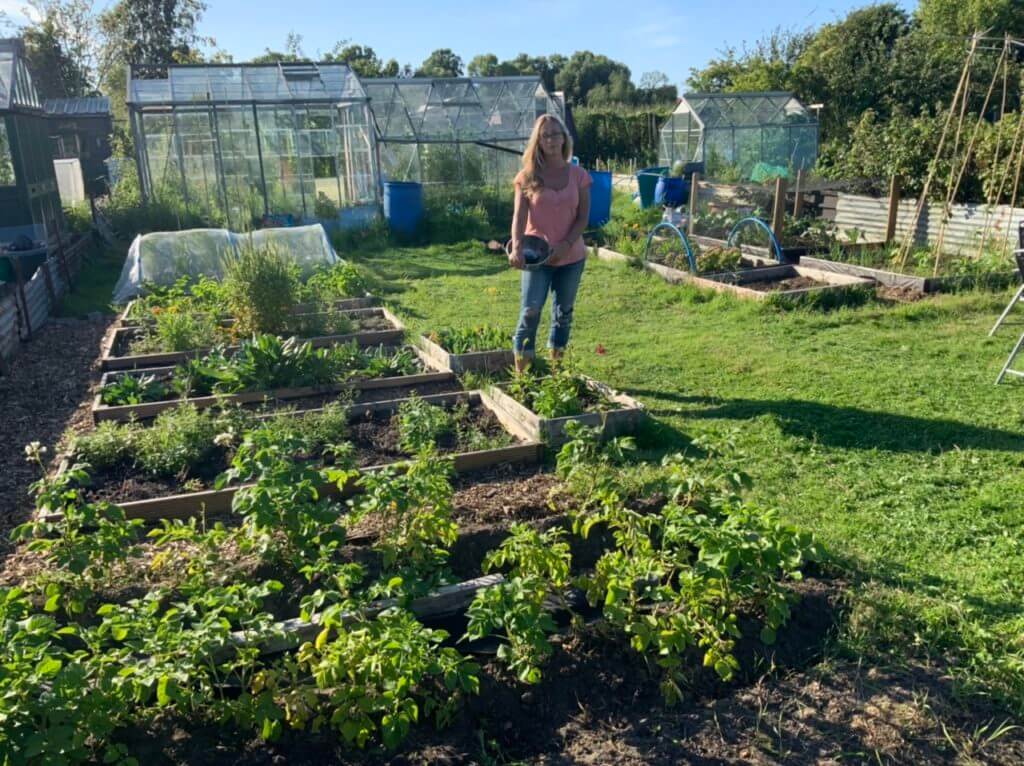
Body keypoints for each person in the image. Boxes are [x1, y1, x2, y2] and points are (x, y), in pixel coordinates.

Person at [509, 113, 591, 373]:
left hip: (571, 257)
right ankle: (523, 377)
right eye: (546, 135)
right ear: (538, 141)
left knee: (563, 313)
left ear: (564, 139)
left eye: (556, 134)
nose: (552, 139)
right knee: (530, 312)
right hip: (537, 259)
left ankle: (556, 374)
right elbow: (519, 217)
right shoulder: (527, 177)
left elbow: (583, 218)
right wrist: (517, 247)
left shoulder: (579, 176)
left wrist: (565, 244)